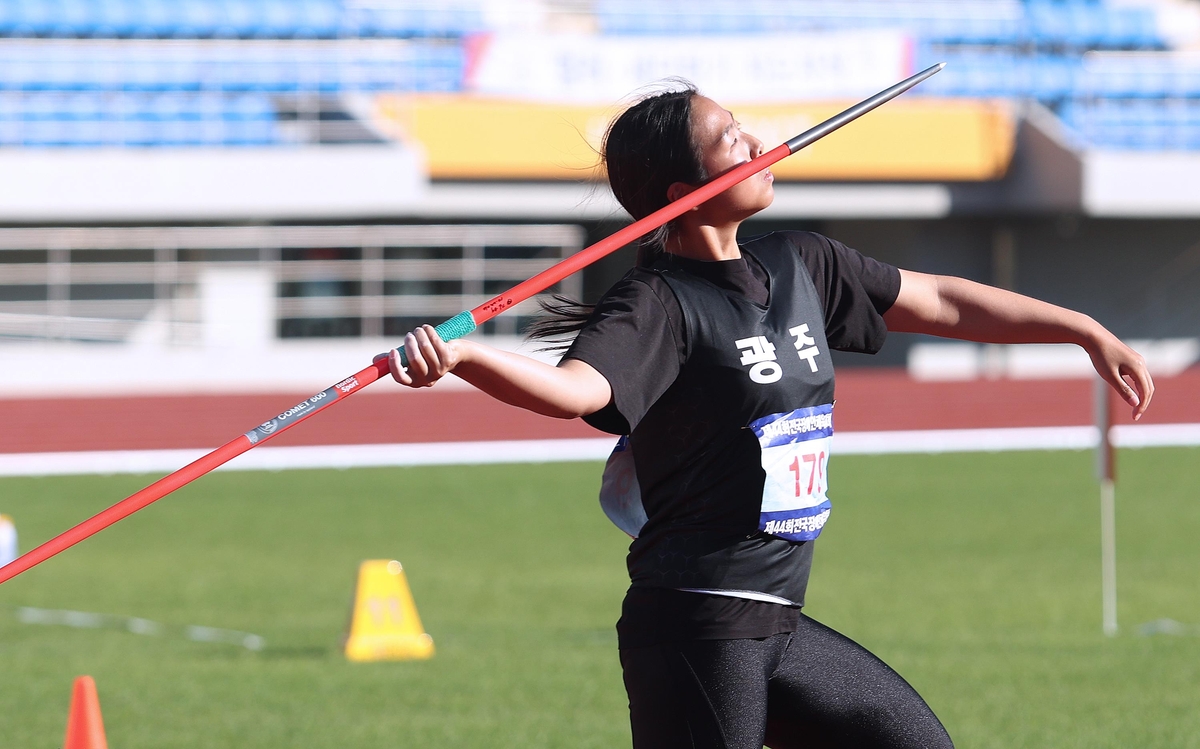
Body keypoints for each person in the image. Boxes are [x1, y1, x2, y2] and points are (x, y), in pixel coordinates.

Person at [380, 85, 1154, 749]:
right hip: (697, 624)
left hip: (777, 621)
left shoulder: (804, 266)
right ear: (683, 185)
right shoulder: (658, 303)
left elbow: (944, 300)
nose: (759, 141)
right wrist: (464, 358)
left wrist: (1081, 327)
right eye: (731, 138)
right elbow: (577, 389)